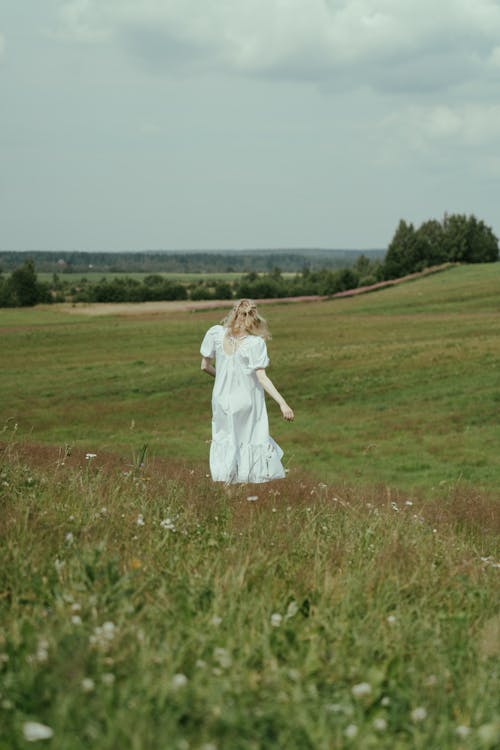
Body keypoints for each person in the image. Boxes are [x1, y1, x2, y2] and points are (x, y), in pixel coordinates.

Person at [200, 298, 294, 484]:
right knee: (249, 441)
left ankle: (228, 490)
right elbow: (262, 378)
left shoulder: (216, 334)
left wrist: (222, 379)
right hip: (245, 402)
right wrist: (283, 404)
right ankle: (245, 488)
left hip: (221, 402)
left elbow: (204, 366)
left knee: (226, 442)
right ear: (253, 317)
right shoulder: (254, 344)